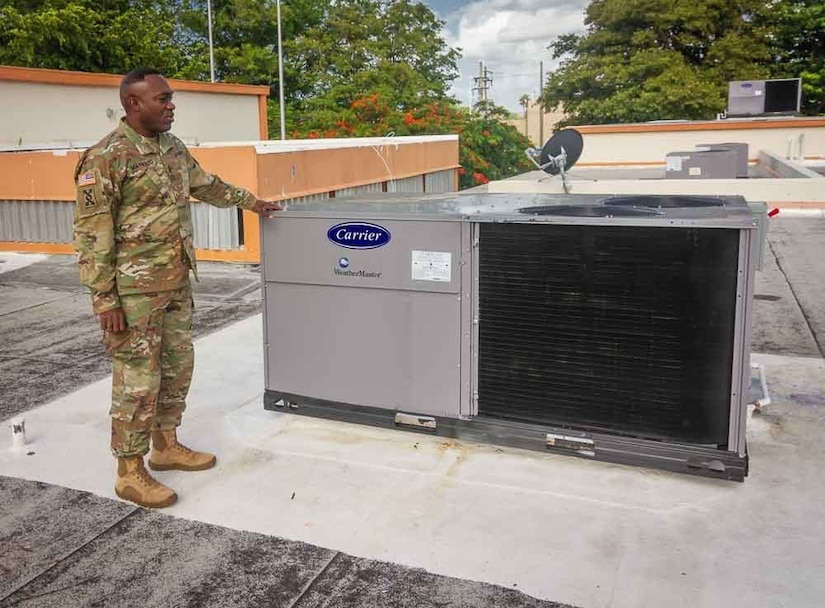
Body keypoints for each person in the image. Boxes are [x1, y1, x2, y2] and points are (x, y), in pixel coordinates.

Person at [73, 68, 282, 509]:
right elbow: (93, 235)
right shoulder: (105, 158)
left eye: (171, 99)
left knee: (176, 366)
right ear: (134, 104)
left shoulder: (173, 148)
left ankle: (165, 444)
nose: (171, 106)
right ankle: (129, 470)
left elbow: (207, 185)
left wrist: (253, 202)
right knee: (137, 380)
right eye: (162, 99)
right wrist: (105, 299)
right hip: (132, 294)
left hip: (175, 283)